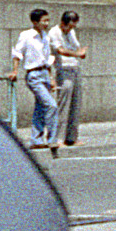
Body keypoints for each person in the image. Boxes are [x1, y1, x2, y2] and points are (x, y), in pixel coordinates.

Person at [7, 8, 58, 150]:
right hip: (33, 74)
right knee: (51, 105)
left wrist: (51, 78)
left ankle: (36, 139)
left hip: (44, 73)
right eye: (44, 21)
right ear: (35, 22)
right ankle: (52, 139)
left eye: (48, 20)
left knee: (41, 107)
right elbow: (18, 52)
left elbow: (48, 59)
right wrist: (15, 70)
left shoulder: (45, 37)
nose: (46, 23)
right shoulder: (26, 35)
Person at [49, 11, 87, 148]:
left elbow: (76, 46)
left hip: (74, 67)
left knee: (76, 103)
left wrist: (80, 52)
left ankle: (71, 137)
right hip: (63, 70)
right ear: (63, 23)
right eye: (69, 26)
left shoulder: (71, 33)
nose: (71, 29)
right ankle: (57, 137)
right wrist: (77, 53)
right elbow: (60, 50)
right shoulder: (54, 32)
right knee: (63, 103)